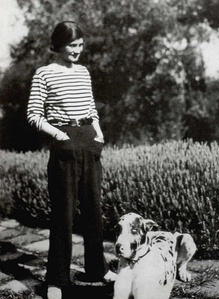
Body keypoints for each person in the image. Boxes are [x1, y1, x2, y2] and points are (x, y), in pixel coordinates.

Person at [27, 21, 116, 299]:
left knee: (92, 209)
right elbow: (34, 114)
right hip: (64, 142)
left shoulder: (83, 72)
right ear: (58, 45)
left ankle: (96, 270)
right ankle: (57, 280)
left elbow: (91, 106)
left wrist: (98, 133)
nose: (78, 50)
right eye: (72, 45)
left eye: (80, 45)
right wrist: (59, 135)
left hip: (89, 140)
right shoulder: (44, 74)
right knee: (63, 214)